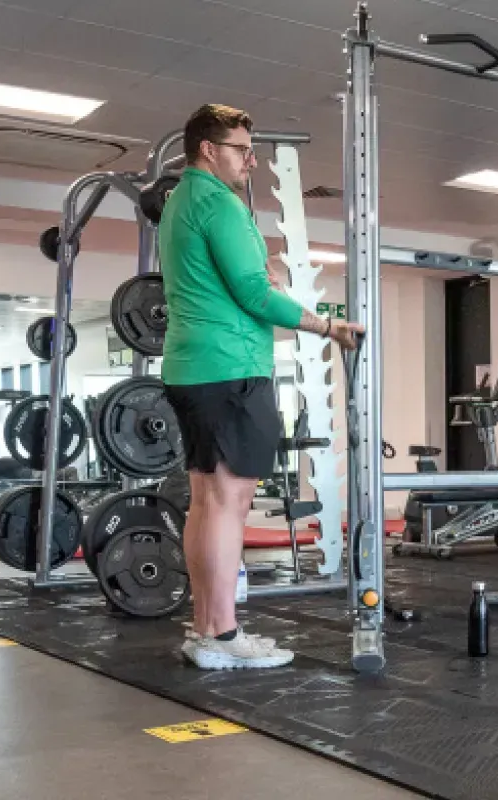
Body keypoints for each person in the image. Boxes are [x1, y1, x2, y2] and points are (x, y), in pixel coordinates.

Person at [159, 104, 364, 671]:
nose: (251, 160)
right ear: (208, 149)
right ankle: (223, 637)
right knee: (230, 503)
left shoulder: (181, 202)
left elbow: (234, 282)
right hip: (229, 370)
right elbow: (254, 295)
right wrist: (327, 325)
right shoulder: (220, 203)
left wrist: (263, 276)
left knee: (207, 501)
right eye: (241, 149)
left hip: (192, 369)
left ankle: (206, 628)